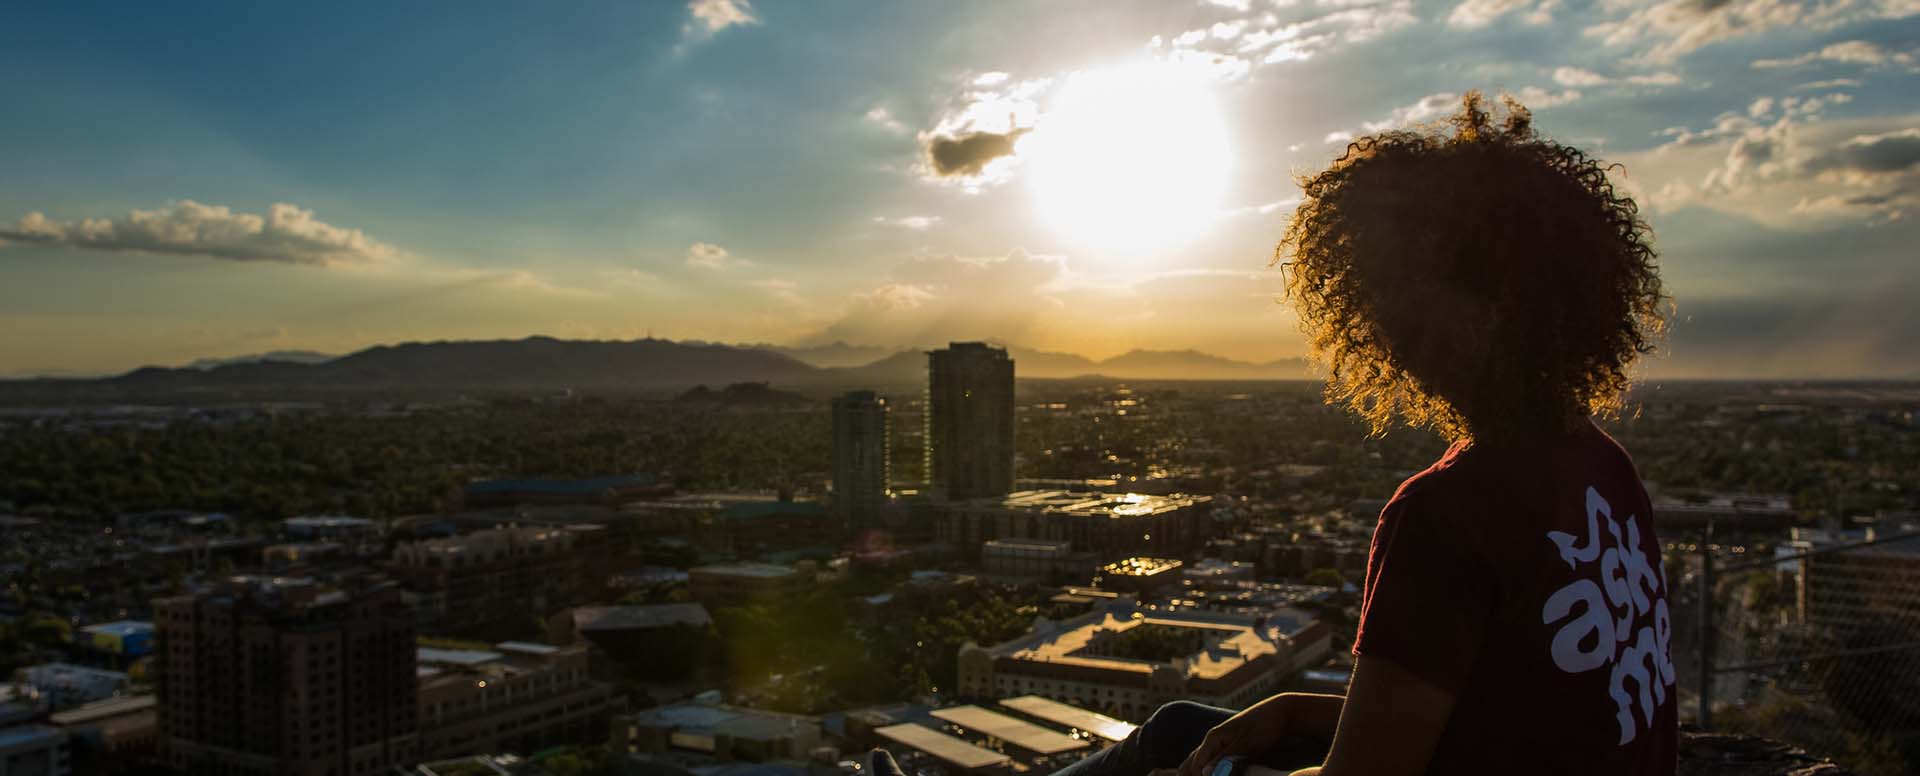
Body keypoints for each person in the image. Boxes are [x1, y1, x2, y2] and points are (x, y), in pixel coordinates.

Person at [1045, 91, 1675, 776]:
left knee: (1165, 752)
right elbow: (1506, 715)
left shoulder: (1446, 513)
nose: (1386, 328)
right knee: (1177, 726)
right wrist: (1295, 708)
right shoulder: (1603, 468)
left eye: (1395, 299)